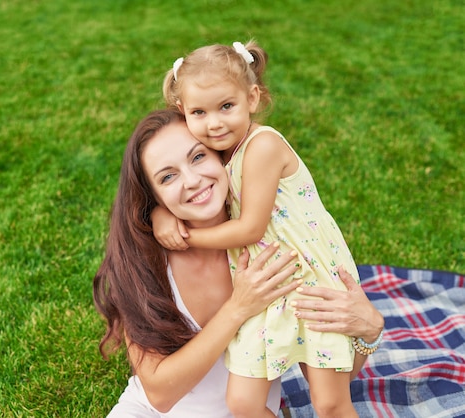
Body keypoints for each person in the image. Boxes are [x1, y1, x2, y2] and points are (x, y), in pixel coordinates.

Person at [94, 109, 384, 417]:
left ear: (223, 157)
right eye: (168, 177)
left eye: (198, 157)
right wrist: (238, 308)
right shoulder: (146, 259)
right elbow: (159, 394)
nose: (192, 180)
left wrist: (370, 331)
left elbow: (328, 378)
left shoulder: (271, 254)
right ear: (153, 195)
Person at [153, 40, 370, 418]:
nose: (215, 122)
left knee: (330, 402)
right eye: (199, 112)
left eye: (226, 106)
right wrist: (161, 214)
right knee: (242, 403)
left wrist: (186, 237)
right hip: (264, 289)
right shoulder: (218, 152)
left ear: (252, 98)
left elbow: (251, 228)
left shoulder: (262, 145)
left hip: (309, 280)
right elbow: (179, 183)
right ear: (182, 112)